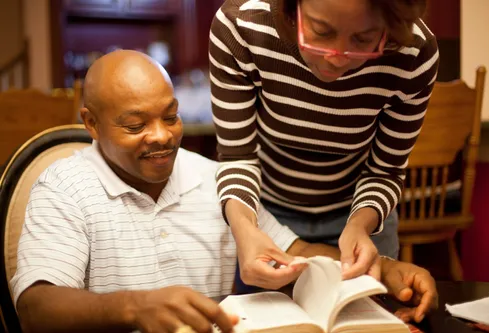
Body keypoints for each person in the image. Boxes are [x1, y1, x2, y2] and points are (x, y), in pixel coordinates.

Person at [12, 50, 437, 333]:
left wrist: (381, 267)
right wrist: (135, 307)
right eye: (136, 125)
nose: (161, 137)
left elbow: (297, 252)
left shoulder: (215, 178)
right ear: (91, 124)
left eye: (171, 116)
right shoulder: (63, 186)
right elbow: (35, 309)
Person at [209, 0, 439, 287]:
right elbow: (237, 157)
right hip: (267, 216)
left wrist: (359, 225)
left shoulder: (414, 54)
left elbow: (385, 171)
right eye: (320, 31)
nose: (337, 58)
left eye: (364, 39)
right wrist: (245, 228)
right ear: (293, 9)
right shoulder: (241, 27)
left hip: (360, 214)